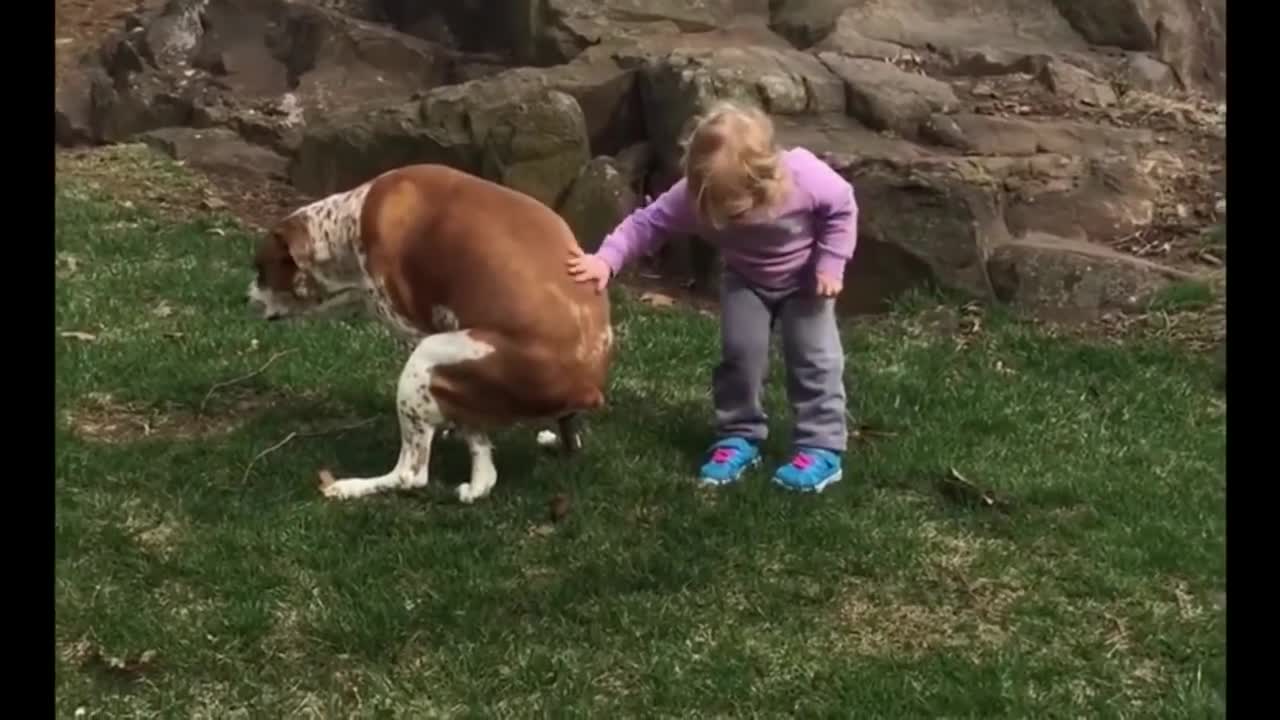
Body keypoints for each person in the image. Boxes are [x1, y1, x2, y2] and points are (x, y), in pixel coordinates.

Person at [567, 101, 858, 493]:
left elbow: (843, 207)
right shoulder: (696, 196)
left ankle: (821, 447)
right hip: (746, 281)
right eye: (711, 209)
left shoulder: (804, 178)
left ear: (765, 181)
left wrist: (830, 264)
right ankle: (739, 434)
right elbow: (645, 225)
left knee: (815, 360)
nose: (721, 218)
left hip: (807, 281)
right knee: (740, 355)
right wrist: (606, 261)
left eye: (732, 212)